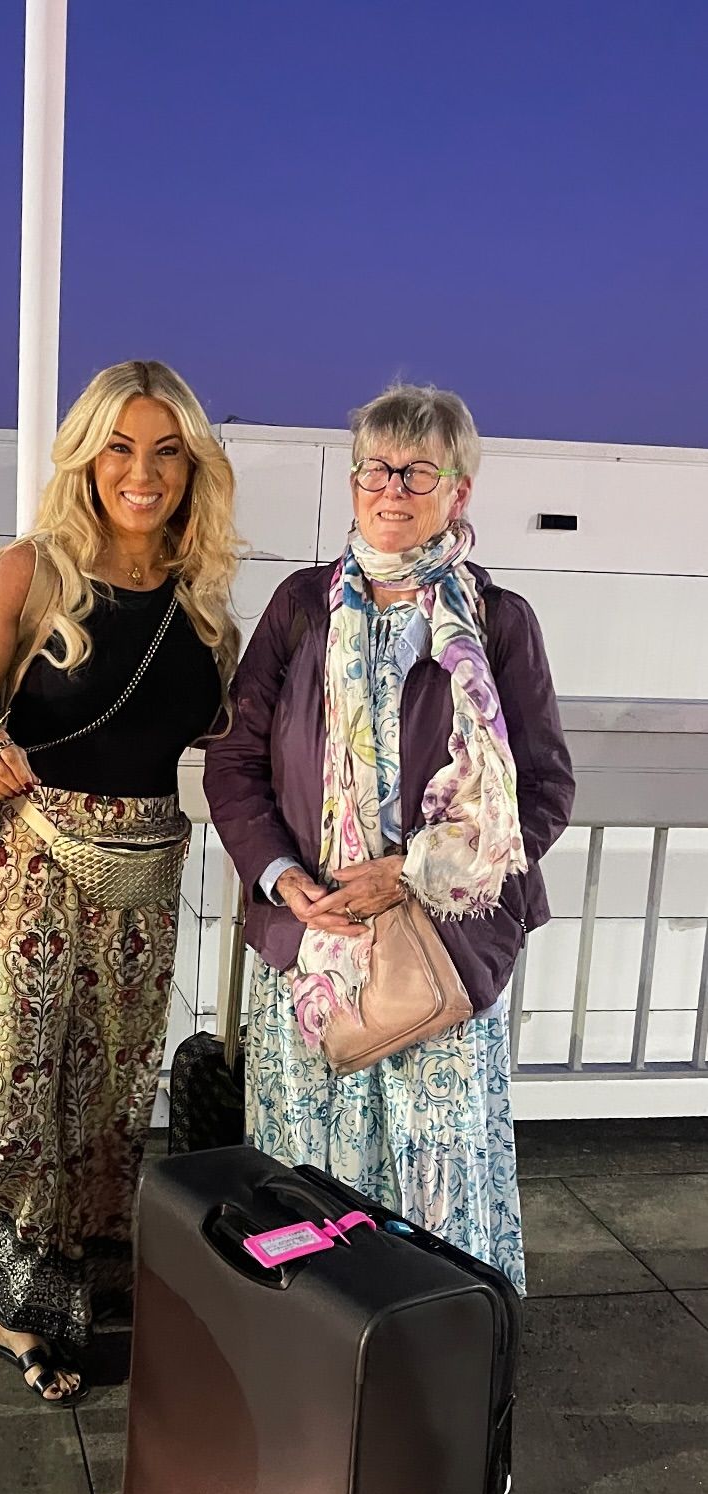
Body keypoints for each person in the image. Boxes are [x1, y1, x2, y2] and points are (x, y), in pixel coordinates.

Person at [0, 360, 239, 1401]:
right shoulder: (31, 573)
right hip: (26, 865)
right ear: (85, 456)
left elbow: (230, 734)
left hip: (144, 877)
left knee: (108, 1109)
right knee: (11, 1101)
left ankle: (23, 1314)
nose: (142, 472)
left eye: (166, 451)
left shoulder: (203, 600)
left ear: (193, 468)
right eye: (119, 446)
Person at [203, 383, 575, 1295]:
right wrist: (282, 878)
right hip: (313, 949)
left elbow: (542, 791)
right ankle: (315, 1339)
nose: (391, 488)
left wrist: (413, 873)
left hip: (439, 948)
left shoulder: (497, 622)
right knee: (304, 1167)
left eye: (417, 471)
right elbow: (235, 761)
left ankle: (436, 1339)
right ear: (353, 481)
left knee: (432, 1167)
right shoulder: (301, 607)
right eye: (374, 468)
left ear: (458, 490)